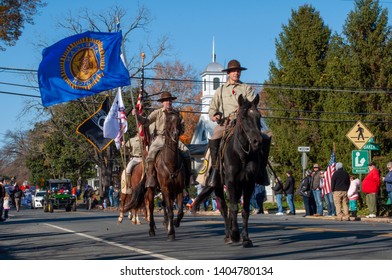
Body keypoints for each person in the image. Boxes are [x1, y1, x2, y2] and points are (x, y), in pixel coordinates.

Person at [206, 59, 270, 188]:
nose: (236, 73)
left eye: (238, 71)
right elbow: (212, 108)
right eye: (234, 71)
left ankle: (261, 170)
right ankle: (215, 170)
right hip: (227, 123)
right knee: (215, 137)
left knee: (265, 137)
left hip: (245, 122)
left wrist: (245, 108)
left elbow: (253, 104)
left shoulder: (246, 88)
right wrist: (215, 115)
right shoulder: (221, 90)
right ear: (228, 73)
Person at [132, 91, 197, 188]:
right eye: (166, 101)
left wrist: (178, 131)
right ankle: (150, 178)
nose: (168, 102)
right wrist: (137, 116)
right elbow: (146, 122)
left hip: (173, 139)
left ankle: (189, 176)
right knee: (151, 155)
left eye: (170, 100)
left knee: (186, 152)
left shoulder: (177, 114)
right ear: (162, 102)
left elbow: (182, 128)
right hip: (160, 138)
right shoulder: (157, 113)